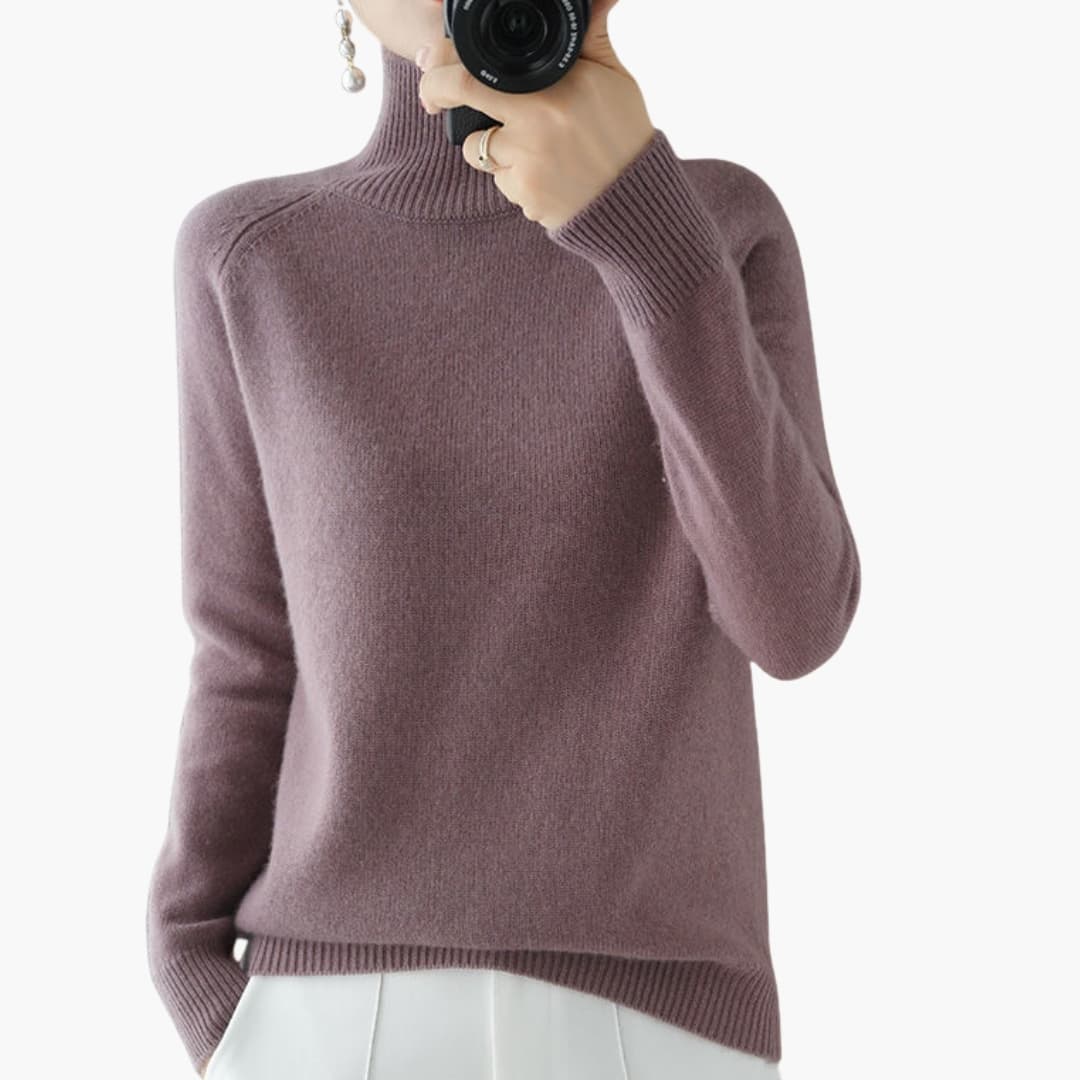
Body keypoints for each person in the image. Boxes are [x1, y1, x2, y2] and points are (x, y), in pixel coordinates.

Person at [145, 0, 862, 1076]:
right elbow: (247, 652)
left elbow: (796, 622)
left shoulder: (714, 226)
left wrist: (643, 236)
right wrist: (196, 966)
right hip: (331, 1014)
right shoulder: (253, 254)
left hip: (663, 1024)